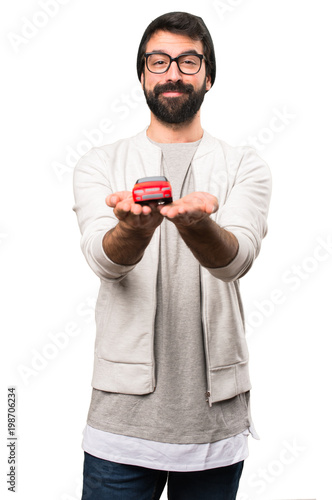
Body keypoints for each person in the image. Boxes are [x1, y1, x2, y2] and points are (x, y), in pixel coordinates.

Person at [73, 11, 272, 500]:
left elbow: (236, 259)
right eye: (158, 61)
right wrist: (133, 232)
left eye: (188, 61)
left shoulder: (245, 164)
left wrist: (197, 224)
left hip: (214, 428)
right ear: (142, 74)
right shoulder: (100, 162)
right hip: (119, 428)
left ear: (209, 75)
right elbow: (104, 261)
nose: (173, 73)